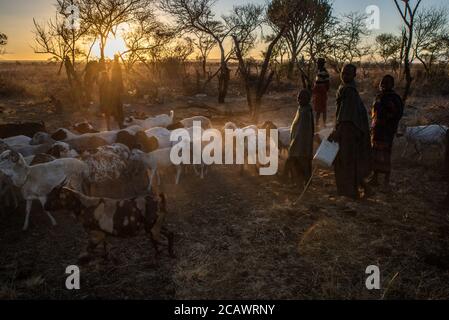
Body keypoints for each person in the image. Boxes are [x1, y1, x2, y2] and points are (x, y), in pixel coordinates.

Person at [329, 64, 372, 199]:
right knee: (347, 161)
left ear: (354, 75)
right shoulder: (345, 88)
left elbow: (347, 117)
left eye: (348, 74)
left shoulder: (350, 91)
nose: (345, 75)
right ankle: (355, 189)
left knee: (346, 162)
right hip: (346, 130)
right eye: (343, 72)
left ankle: (351, 192)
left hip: (349, 132)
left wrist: (337, 132)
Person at [370, 75, 404, 187]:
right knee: (375, 154)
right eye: (382, 82)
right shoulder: (379, 96)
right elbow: (374, 113)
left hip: (387, 132)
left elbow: (398, 114)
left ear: (392, 85)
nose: (383, 84)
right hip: (376, 130)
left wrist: (388, 121)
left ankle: (386, 180)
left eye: (387, 82)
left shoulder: (394, 98)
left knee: (385, 155)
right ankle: (374, 178)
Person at [287, 89, 315, 188]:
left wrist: (295, 143)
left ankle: (304, 184)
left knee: (302, 164)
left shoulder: (306, 112)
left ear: (308, 99)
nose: (299, 100)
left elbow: (304, 132)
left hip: (302, 144)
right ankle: (299, 183)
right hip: (297, 142)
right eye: (298, 97)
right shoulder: (301, 109)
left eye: (302, 98)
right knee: (298, 163)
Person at [312, 58, 330, 129]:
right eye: (317, 63)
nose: (317, 64)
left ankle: (322, 124)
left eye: (318, 63)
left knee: (321, 109)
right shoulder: (319, 71)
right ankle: (318, 124)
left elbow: (326, 84)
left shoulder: (324, 72)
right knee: (319, 109)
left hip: (321, 93)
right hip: (319, 93)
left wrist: (322, 90)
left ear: (321, 64)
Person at [110, 54, 125, 129]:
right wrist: (120, 88)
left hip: (115, 89)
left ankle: (119, 122)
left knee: (117, 106)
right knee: (119, 106)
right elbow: (119, 78)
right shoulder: (116, 66)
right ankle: (120, 124)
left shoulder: (114, 66)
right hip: (116, 89)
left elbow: (114, 79)